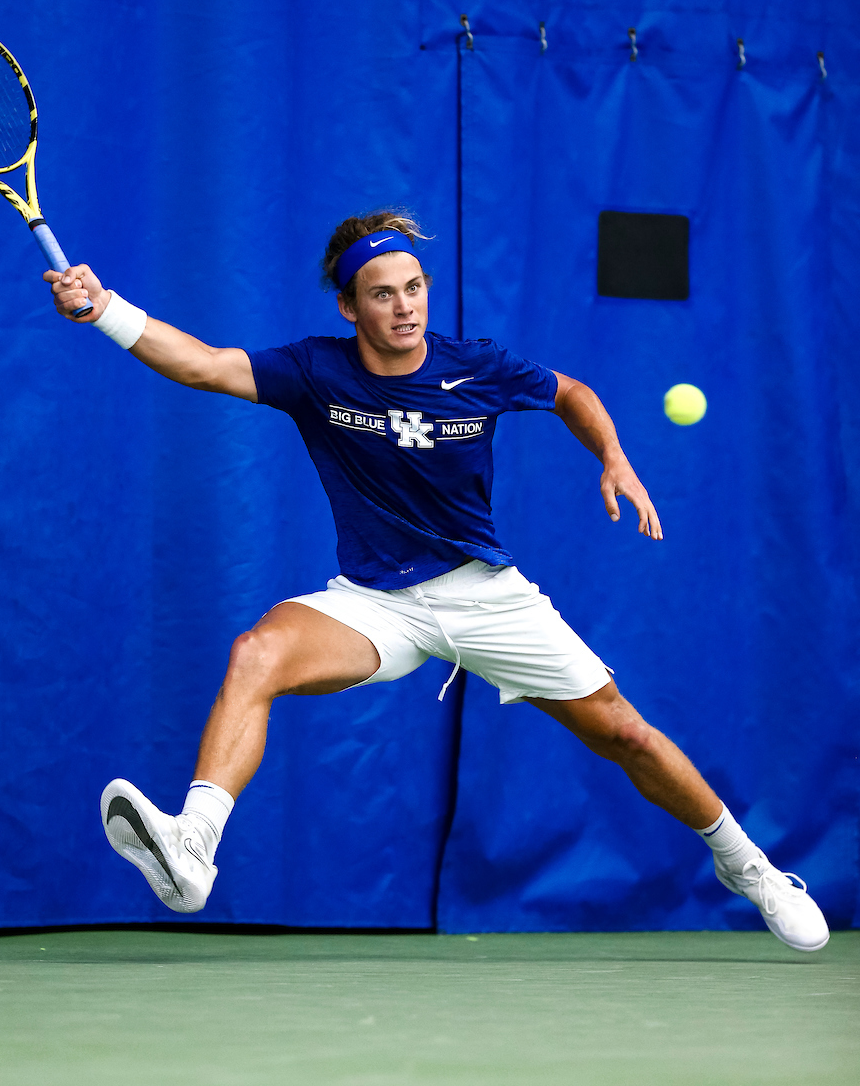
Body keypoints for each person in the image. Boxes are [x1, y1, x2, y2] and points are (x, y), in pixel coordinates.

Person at [48, 211, 829, 952]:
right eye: (382, 294)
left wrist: (612, 456)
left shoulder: (476, 367)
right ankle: (193, 846)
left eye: (414, 288)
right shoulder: (315, 370)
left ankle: (750, 867)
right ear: (350, 306)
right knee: (257, 653)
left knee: (623, 733)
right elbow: (204, 364)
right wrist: (106, 308)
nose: (404, 307)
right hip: (375, 603)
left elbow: (571, 393)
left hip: (484, 594)